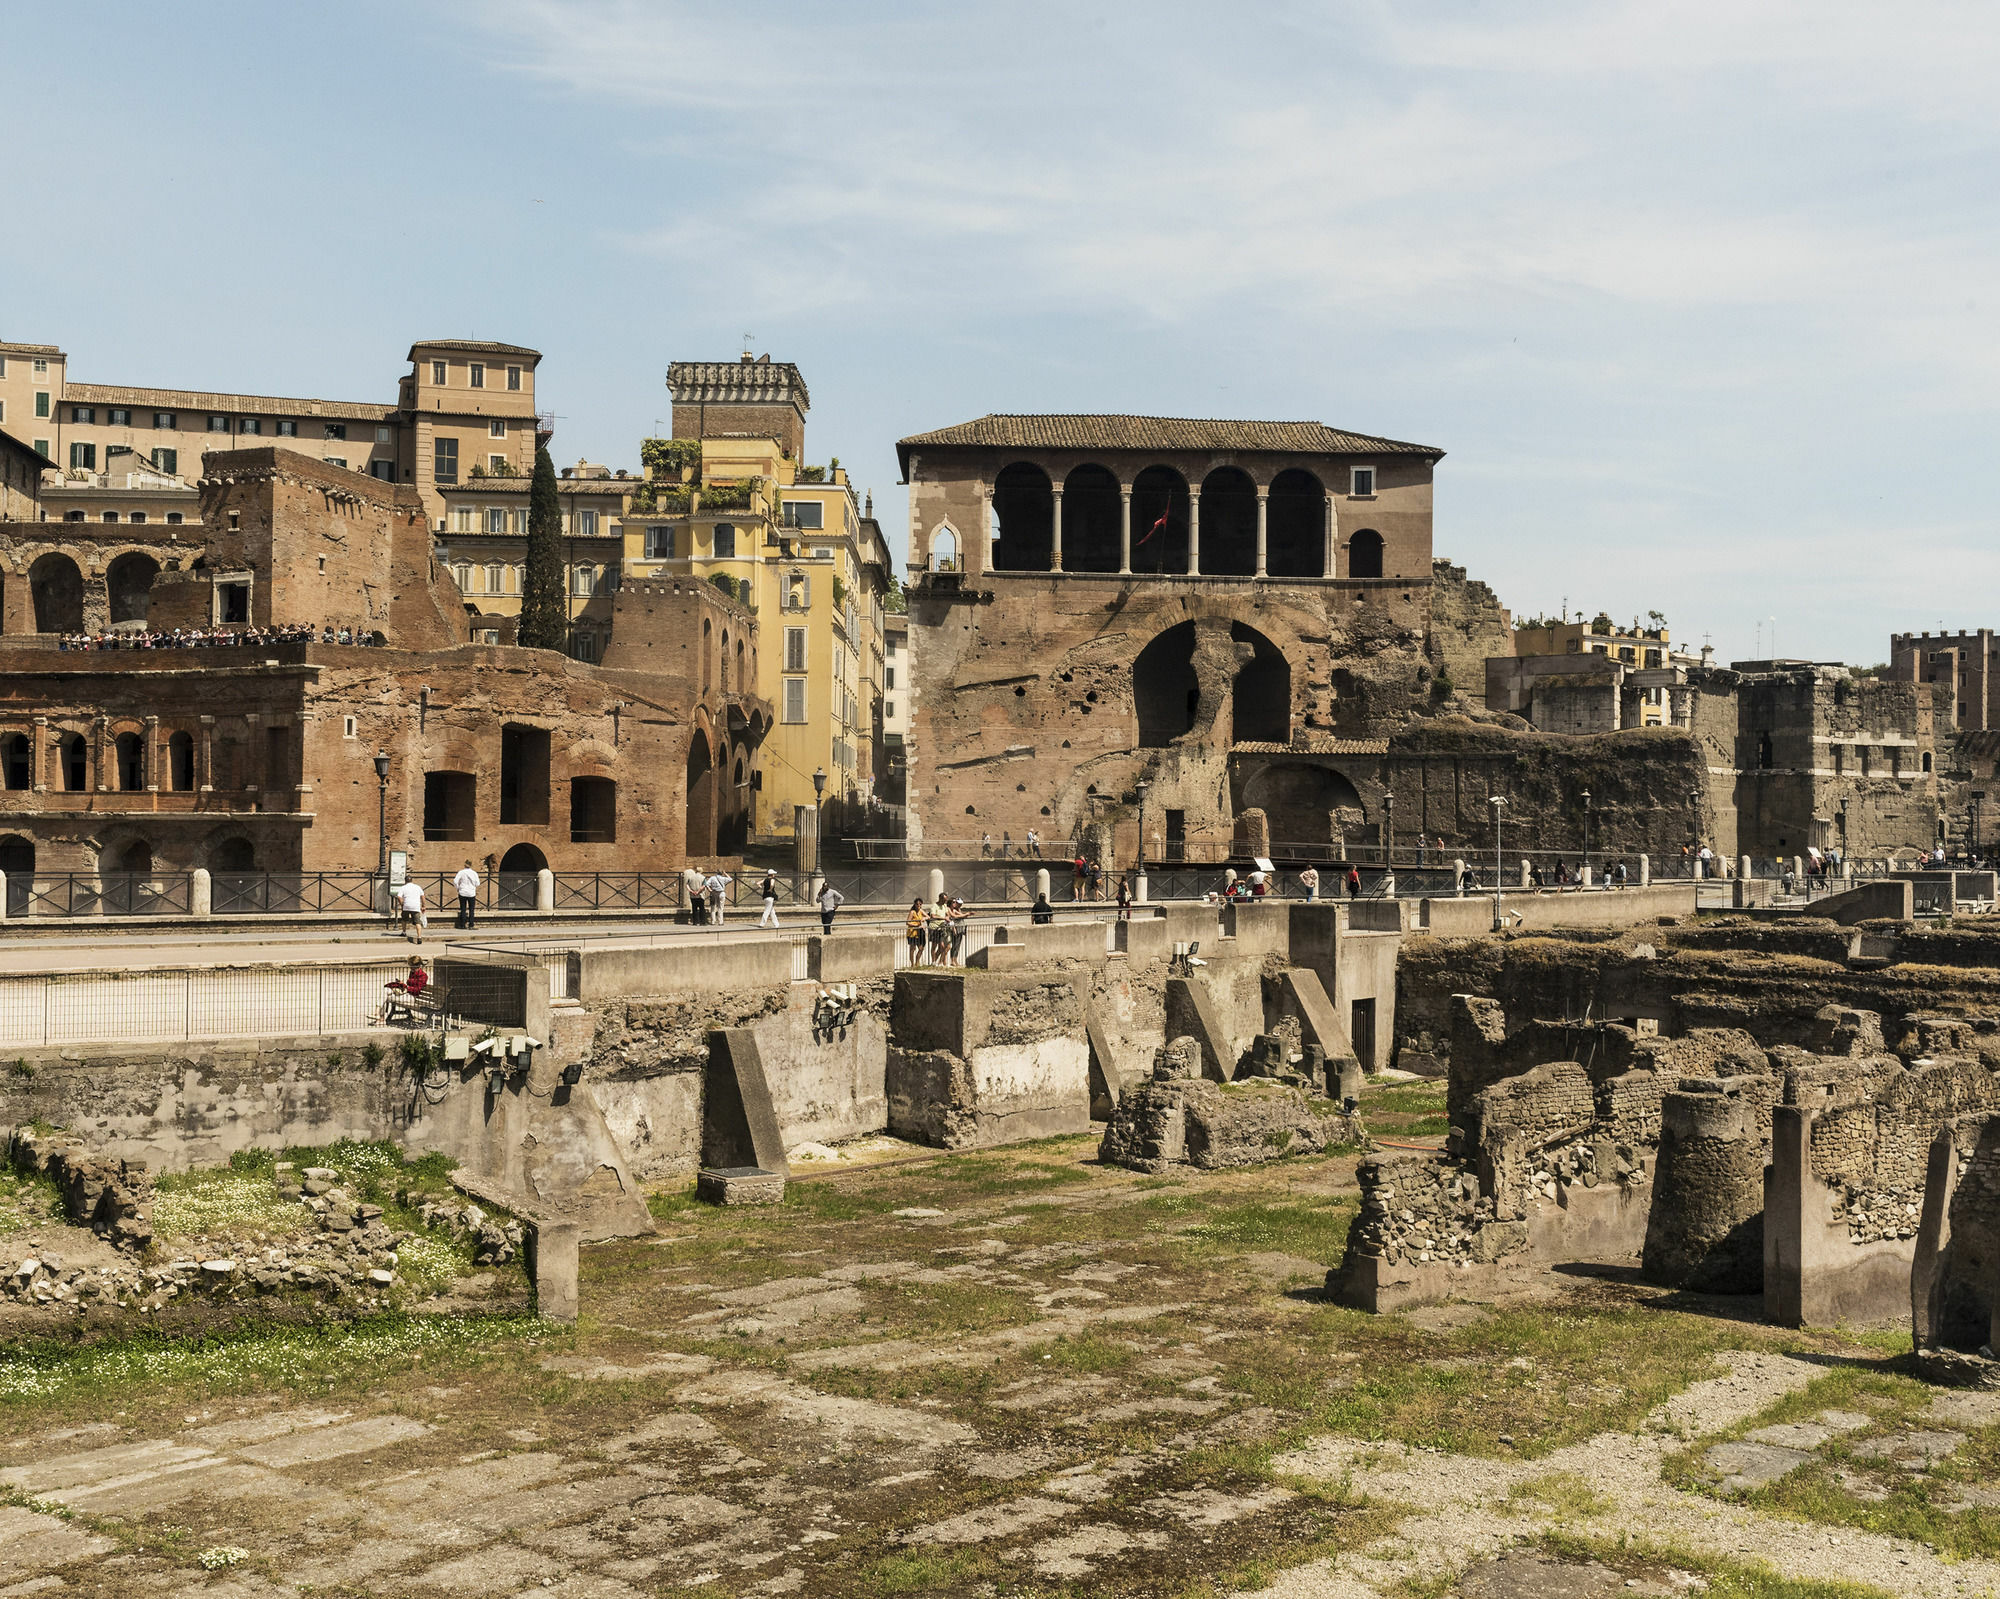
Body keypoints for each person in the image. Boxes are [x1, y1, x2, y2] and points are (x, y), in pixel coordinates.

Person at [395, 876, 427, 941]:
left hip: (406, 906)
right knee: (418, 922)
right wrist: (423, 906)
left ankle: (404, 932)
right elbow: (423, 896)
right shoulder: (418, 887)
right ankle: (419, 937)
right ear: (412, 880)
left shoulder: (403, 887)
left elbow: (399, 897)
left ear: (405, 881)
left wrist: (402, 904)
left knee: (404, 920)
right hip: (416, 906)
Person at [453, 859, 480, 930]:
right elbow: (478, 883)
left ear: (464, 865)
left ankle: (462, 925)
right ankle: (471, 925)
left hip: (462, 892)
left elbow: (455, 881)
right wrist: (473, 886)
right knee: (471, 909)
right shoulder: (474, 873)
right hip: (471, 893)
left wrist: (458, 888)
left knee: (463, 909)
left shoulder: (461, 872)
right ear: (471, 865)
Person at [906, 898, 928, 966]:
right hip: (912, 933)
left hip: (919, 932)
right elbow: (907, 922)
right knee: (912, 949)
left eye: (920, 904)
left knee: (921, 948)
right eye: (917, 904)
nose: (919, 905)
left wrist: (924, 918)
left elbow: (928, 916)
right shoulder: (912, 912)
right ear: (914, 904)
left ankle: (917, 961)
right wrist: (917, 925)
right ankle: (912, 964)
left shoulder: (921, 911)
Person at [946, 897, 968, 966]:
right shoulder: (951, 910)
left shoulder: (957, 910)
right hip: (956, 929)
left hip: (960, 929)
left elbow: (962, 916)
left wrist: (965, 915)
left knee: (957, 945)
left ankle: (955, 959)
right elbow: (953, 918)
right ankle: (952, 960)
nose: (959, 904)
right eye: (957, 903)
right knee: (954, 945)